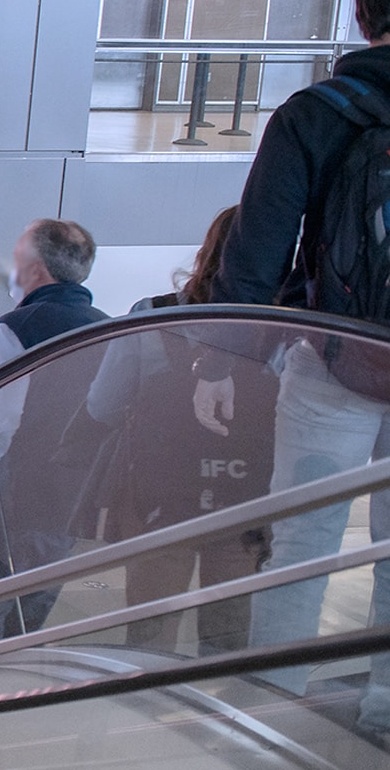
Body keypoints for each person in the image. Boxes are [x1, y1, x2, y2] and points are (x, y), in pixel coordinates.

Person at [200, 0, 390, 734]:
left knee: (303, 544)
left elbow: (255, 258)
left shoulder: (316, 113)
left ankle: (273, 714)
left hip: (335, 366)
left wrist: (224, 362)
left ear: (360, 11)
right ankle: (384, 707)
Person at [82, 209, 275, 654]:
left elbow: (102, 405)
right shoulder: (283, 328)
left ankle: (147, 709)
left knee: (150, 634)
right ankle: (224, 714)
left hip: (159, 500)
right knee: (228, 631)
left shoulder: (150, 316)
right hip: (244, 500)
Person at [0, 218, 109, 635]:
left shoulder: (18, 328)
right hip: (74, 491)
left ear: (35, 270)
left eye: (17, 255)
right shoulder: (109, 327)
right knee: (39, 591)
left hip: (19, 489)